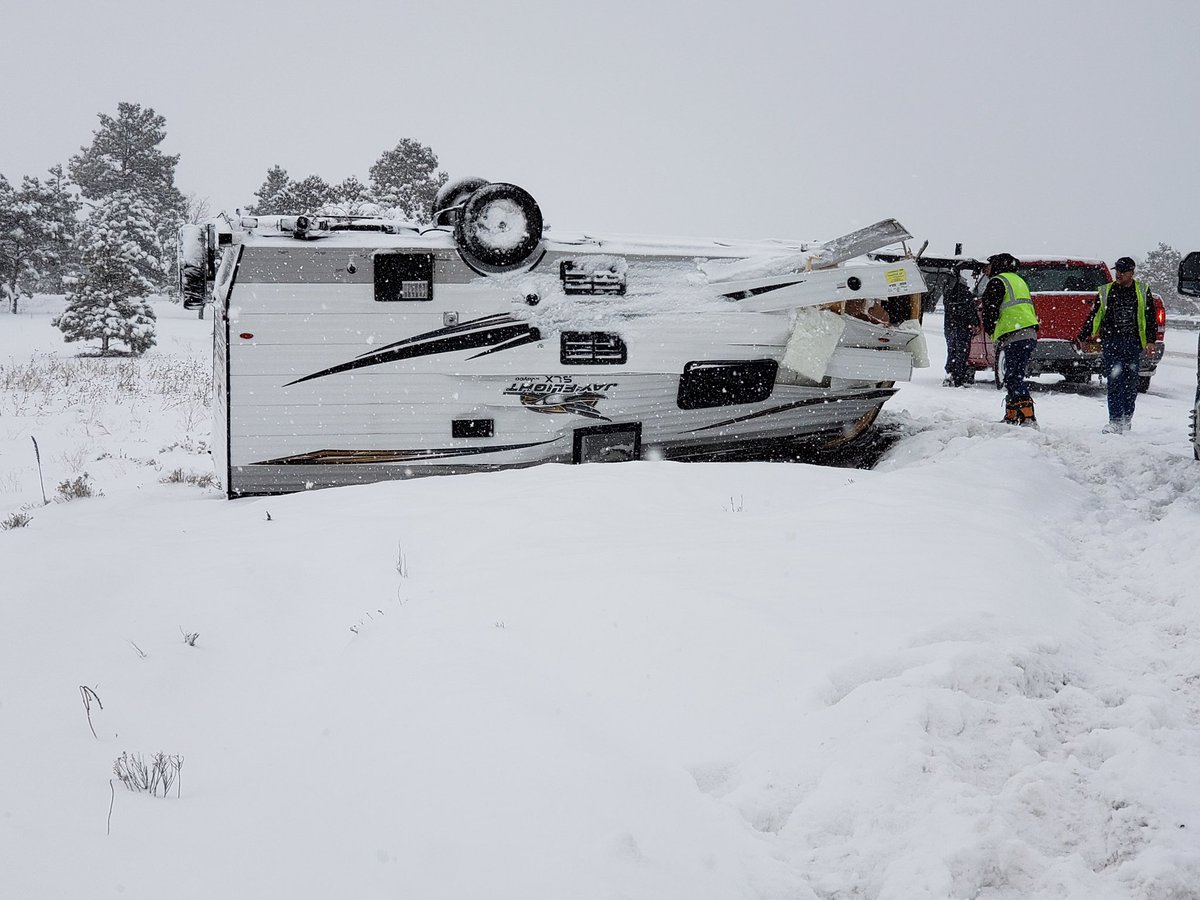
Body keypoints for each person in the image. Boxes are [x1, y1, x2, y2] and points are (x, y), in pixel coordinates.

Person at [1079, 256, 1152, 433]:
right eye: (1117, 271)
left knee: (1131, 383)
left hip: (1133, 343)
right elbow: (1094, 315)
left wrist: (1151, 341)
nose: (1118, 274)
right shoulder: (1106, 291)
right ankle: (1115, 420)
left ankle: (1127, 418)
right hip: (1112, 342)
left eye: (1122, 271)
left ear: (1131, 273)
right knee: (1114, 381)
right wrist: (1083, 336)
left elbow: (1149, 317)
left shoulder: (1142, 290)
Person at [980, 252, 1039, 425]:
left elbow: (990, 309)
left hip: (1015, 333)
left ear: (997, 265)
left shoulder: (997, 281)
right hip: (1027, 332)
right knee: (1013, 375)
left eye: (987, 266)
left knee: (1013, 377)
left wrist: (991, 330)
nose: (985, 270)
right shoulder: (1018, 280)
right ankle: (1013, 415)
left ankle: (1027, 416)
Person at [942, 263, 978, 386]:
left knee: (952, 349)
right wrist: (975, 322)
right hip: (962, 326)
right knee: (961, 351)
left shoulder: (948, 291)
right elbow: (970, 310)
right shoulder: (965, 293)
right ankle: (959, 376)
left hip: (950, 326)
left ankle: (950, 372)